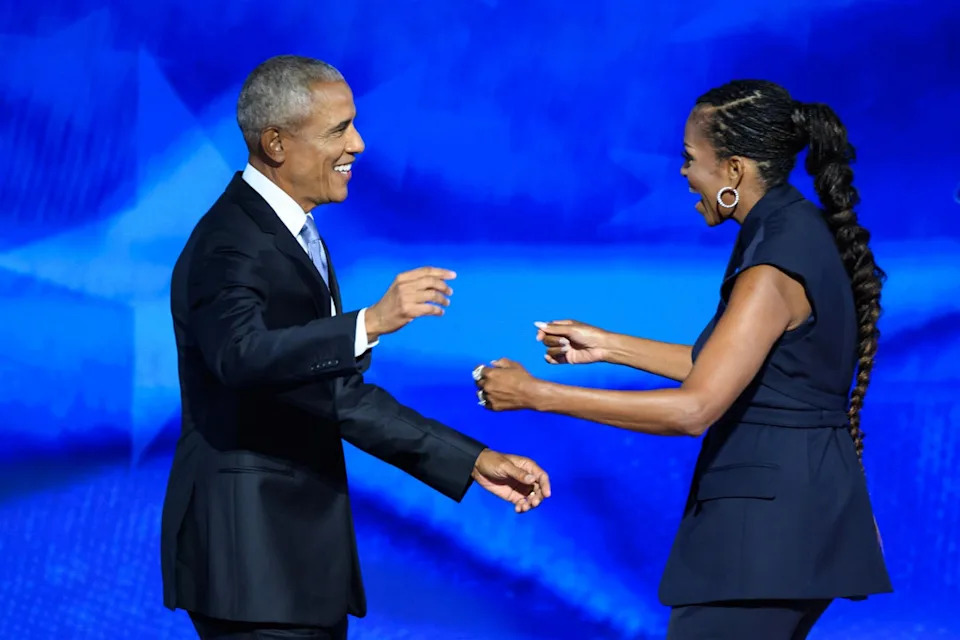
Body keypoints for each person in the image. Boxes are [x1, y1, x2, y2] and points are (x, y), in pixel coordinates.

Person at [474, 79, 892, 639]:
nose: (683, 173)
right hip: (799, 525)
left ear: (734, 170)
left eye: (691, 158)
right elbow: (739, 368)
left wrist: (536, 395)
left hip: (763, 540)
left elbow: (694, 409)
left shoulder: (773, 263)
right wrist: (609, 346)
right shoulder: (793, 230)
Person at [160, 55, 551, 640]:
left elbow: (338, 396)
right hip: (251, 563)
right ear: (276, 143)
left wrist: (471, 460)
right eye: (338, 129)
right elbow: (239, 358)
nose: (358, 144)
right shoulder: (230, 241)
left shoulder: (292, 236)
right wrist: (369, 322)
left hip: (292, 564)